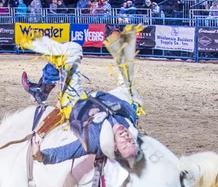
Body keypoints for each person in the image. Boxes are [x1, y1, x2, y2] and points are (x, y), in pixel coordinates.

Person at [23, 26, 144, 166]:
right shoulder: (129, 115)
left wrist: (40, 156)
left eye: (124, 145)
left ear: (115, 146)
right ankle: (119, 43)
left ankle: (42, 89)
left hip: (76, 103)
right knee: (131, 90)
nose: (127, 139)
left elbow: (65, 152)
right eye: (131, 142)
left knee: (73, 49)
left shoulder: (94, 140)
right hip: (104, 99)